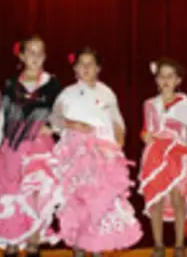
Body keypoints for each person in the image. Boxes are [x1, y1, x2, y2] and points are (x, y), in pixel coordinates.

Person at [0, 36, 62, 256]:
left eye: (39, 52)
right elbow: (1, 117)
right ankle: (13, 238)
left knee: (36, 190)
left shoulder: (52, 84)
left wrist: (53, 128)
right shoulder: (9, 84)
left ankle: (34, 239)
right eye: (30, 52)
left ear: (44, 57)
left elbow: (63, 112)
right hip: (12, 144)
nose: (35, 57)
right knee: (13, 191)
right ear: (22, 56)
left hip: (38, 146)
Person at [52, 47, 142, 256]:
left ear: (98, 68)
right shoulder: (67, 94)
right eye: (81, 64)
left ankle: (97, 248)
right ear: (75, 68)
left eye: (90, 64)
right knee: (78, 200)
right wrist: (73, 124)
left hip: (103, 153)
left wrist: (118, 142)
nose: (85, 68)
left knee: (100, 200)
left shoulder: (106, 92)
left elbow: (117, 122)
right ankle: (79, 248)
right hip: (77, 153)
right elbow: (54, 120)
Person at [138, 58, 187, 257]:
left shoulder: (183, 100)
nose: (166, 80)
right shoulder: (149, 104)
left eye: (170, 76)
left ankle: (179, 245)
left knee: (177, 199)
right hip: (155, 156)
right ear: (156, 80)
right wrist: (145, 135)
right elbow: (145, 129)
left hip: (176, 153)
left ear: (178, 80)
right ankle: (158, 245)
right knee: (155, 198)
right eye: (162, 76)